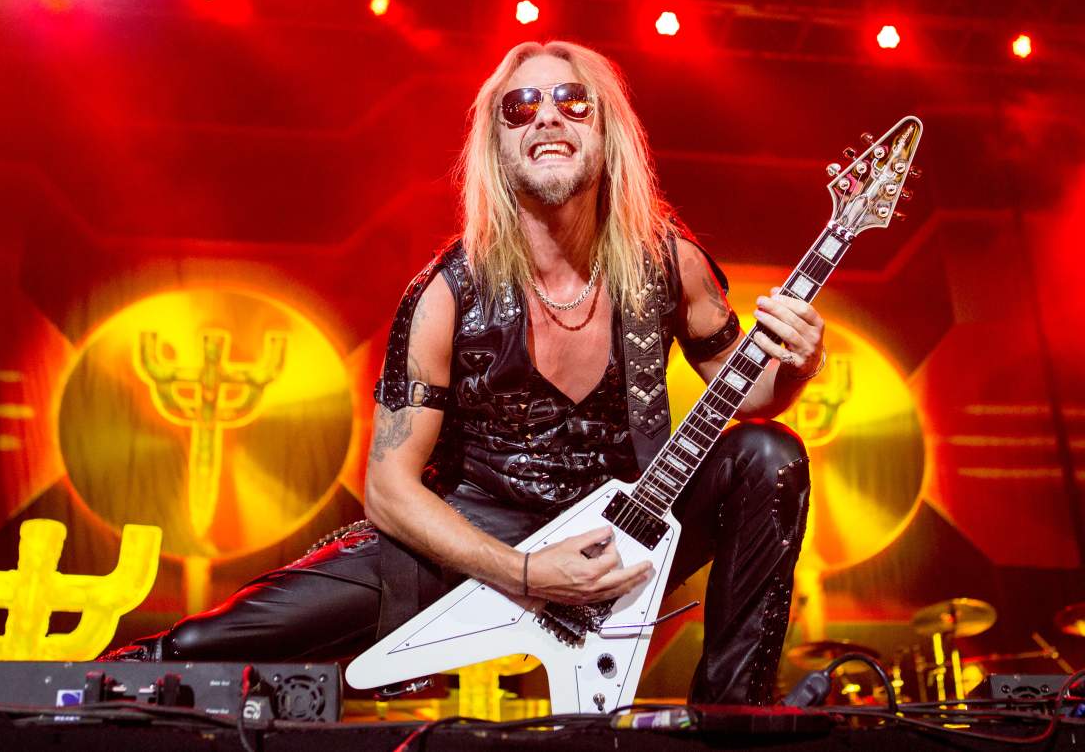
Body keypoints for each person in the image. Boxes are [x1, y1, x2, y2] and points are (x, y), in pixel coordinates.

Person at [103, 40, 824, 706]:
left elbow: (750, 394)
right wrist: (526, 575)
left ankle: (737, 713)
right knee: (210, 643)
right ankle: (104, 688)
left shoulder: (668, 263)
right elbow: (389, 489)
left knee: (769, 453)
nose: (548, 117)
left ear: (608, 134)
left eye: (574, 101)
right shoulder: (448, 294)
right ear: (496, 147)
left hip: (624, 526)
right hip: (477, 528)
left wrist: (797, 364)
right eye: (521, 106)